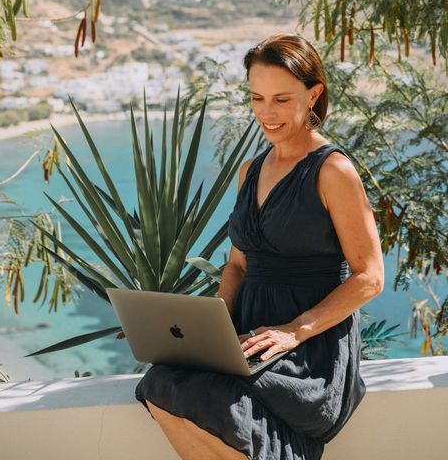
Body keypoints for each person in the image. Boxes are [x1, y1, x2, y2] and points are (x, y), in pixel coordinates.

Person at [135, 33, 385, 460]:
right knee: (160, 384)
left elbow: (371, 277)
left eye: (282, 99)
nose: (266, 113)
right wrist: (207, 329)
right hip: (250, 333)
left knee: (216, 405)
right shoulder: (250, 170)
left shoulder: (333, 170)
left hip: (309, 349)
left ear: (314, 95)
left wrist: (294, 331)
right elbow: (237, 266)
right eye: (257, 98)